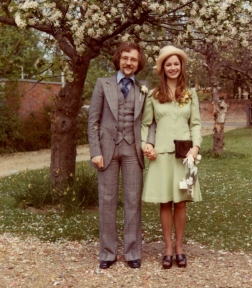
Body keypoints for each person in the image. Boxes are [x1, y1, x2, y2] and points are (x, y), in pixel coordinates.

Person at [88, 42, 155, 269]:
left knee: (133, 202)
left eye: (133, 59)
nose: (129, 63)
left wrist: (150, 143)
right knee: (107, 202)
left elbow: (151, 121)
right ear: (118, 59)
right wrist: (95, 152)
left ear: (139, 63)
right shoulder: (102, 84)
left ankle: (133, 251)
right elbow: (93, 120)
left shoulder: (144, 87)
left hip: (133, 151)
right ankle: (107, 253)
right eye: (125, 58)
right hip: (107, 151)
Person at [141, 45, 202, 269]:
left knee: (182, 202)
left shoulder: (191, 94)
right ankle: (167, 249)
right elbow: (146, 124)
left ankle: (179, 248)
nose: (173, 67)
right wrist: (146, 145)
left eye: (176, 63)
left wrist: (196, 147)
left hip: (186, 158)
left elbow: (195, 124)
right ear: (162, 68)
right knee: (165, 203)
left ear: (181, 66)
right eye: (169, 64)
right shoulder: (154, 96)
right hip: (162, 156)